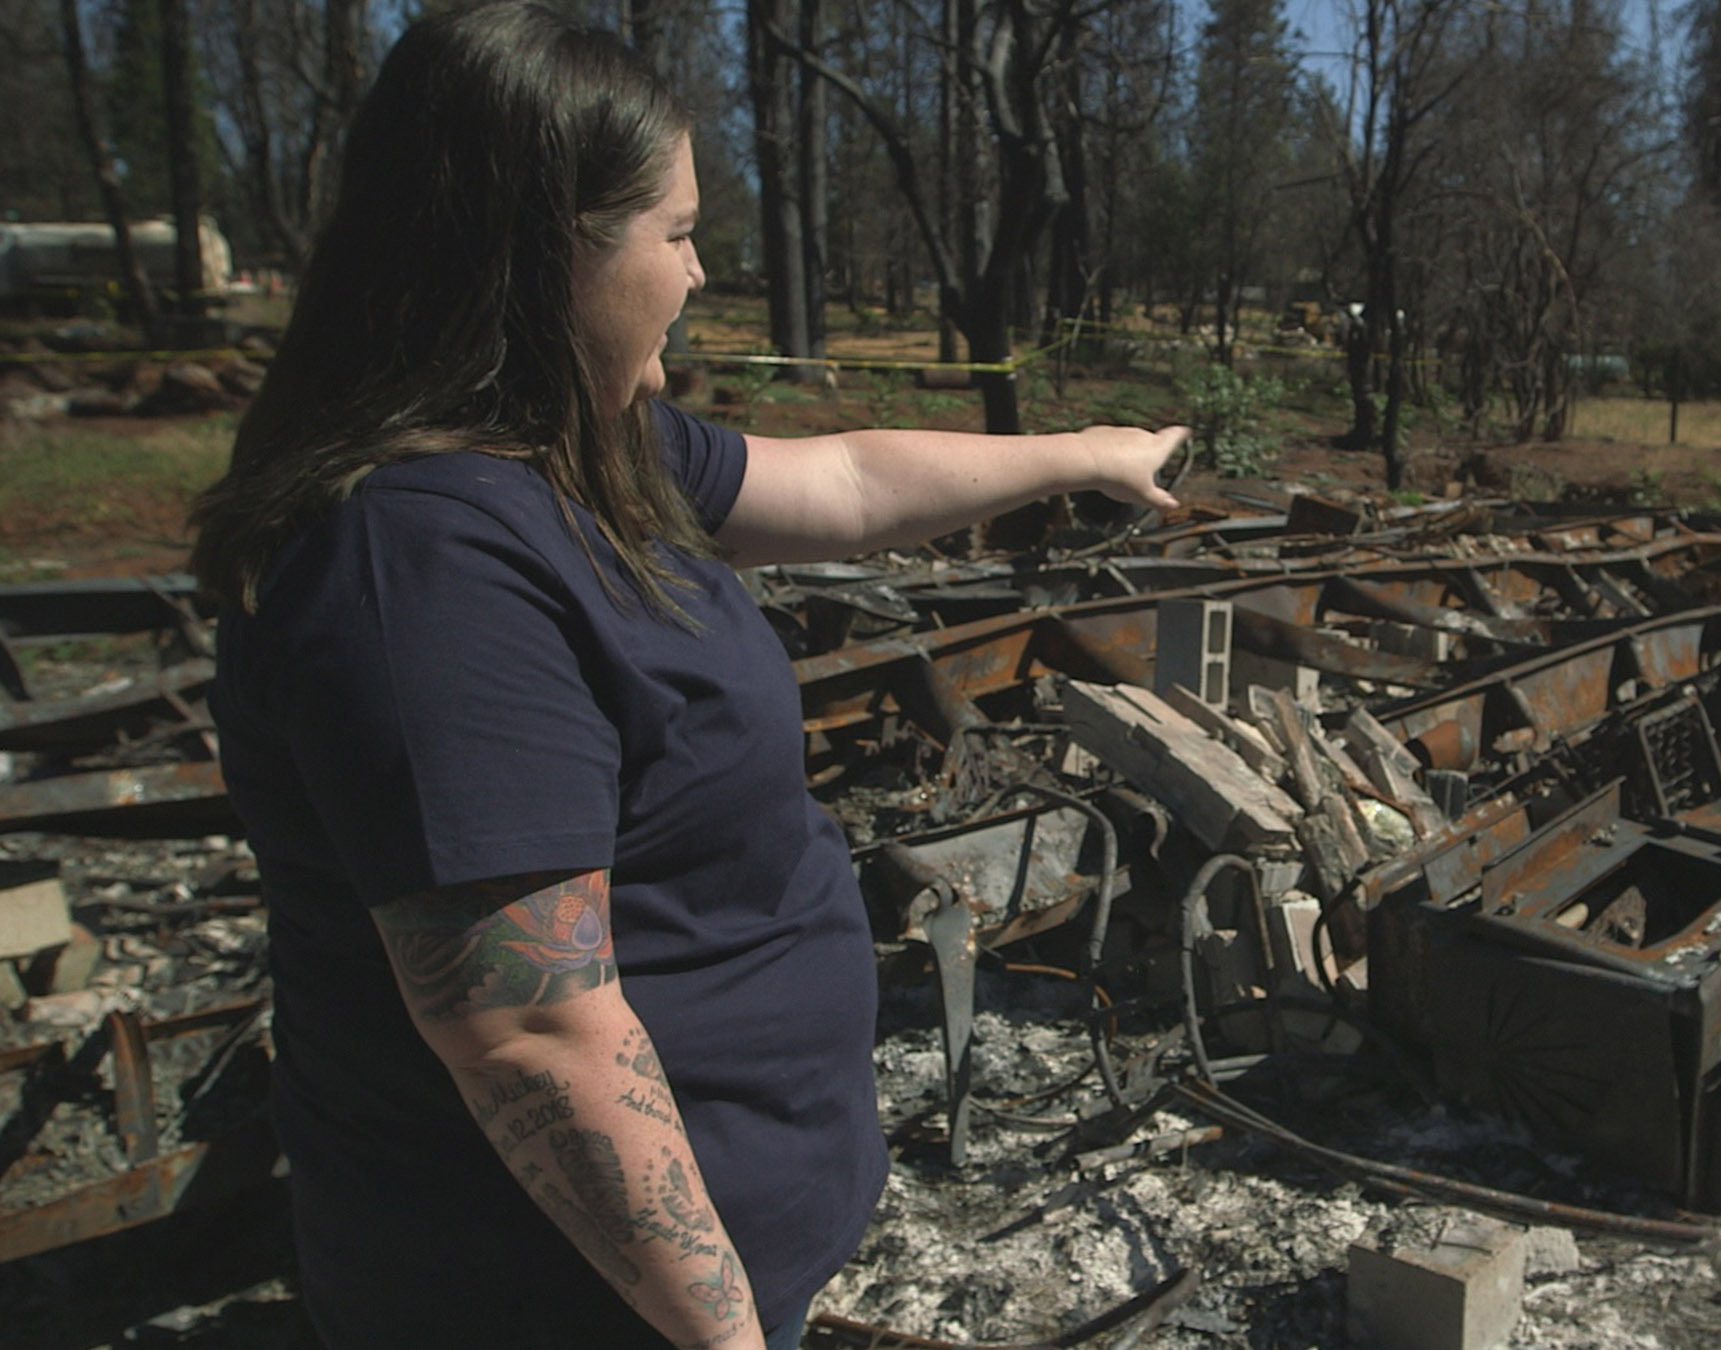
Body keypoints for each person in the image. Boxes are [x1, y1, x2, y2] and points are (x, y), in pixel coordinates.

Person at [186, 5, 1185, 1347]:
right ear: (549, 250)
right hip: (563, 1309)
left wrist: (1086, 454)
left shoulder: (574, 443)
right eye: (677, 232)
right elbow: (532, 1040)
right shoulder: (419, 568)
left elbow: (843, 482)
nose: (703, 271)